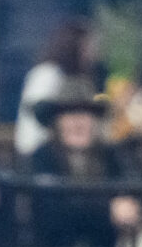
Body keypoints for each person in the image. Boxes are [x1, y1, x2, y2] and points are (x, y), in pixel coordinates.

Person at [25, 95, 141, 247]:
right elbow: (51, 214)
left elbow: (133, 195)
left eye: (85, 114)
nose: (78, 122)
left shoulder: (111, 159)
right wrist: (107, 211)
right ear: (55, 122)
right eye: (69, 115)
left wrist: (132, 210)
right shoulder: (41, 159)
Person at [14, 16, 97, 158]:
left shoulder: (70, 77)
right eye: (87, 46)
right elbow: (36, 118)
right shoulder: (47, 74)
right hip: (38, 152)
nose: (92, 53)